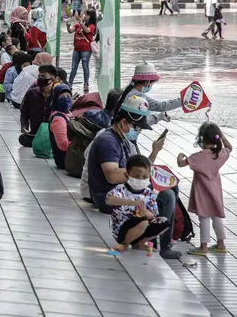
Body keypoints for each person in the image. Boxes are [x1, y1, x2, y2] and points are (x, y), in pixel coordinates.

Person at [85, 95, 180, 259]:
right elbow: (113, 176)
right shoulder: (108, 141)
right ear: (123, 123)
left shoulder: (121, 139)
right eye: (136, 127)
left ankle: (150, 238)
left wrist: (154, 152)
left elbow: (138, 169)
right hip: (112, 195)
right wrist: (142, 179)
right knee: (167, 196)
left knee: (170, 187)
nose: (138, 131)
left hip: (129, 191)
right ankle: (162, 246)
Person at [177, 122, 231, 256]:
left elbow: (181, 163)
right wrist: (222, 137)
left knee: (204, 218)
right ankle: (220, 244)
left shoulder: (198, 156)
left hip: (202, 192)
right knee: (216, 216)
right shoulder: (220, 153)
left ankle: (203, 247)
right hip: (215, 191)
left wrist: (180, 155)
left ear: (202, 139)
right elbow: (229, 147)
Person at [106, 155, 170, 253]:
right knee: (142, 222)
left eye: (144, 177)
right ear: (127, 175)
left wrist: (145, 213)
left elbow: (153, 214)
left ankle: (140, 243)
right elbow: (109, 200)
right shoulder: (121, 189)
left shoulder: (148, 193)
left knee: (164, 222)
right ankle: (124, 244)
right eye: (136, 177)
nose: (140, 180)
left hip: (142, 227)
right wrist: (132, 203)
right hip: (122, 228)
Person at [117, 61, 181, 127]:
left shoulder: (127, 91)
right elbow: (160, 106)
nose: (151, 85)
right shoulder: (137, 97)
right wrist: (182, 101)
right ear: (147, 82)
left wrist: (159, 116)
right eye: (152, 83)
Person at [18, 64, 58, 147]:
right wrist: (24, 126)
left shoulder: (57, 96)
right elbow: (24, 113)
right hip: (35, 133)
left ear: (53, 80)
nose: (40, 78)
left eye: (43, 76)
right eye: (39, 76)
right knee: (23, 139)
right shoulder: (31, 93)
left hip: (51, 133)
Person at [67, 9, 96, 93]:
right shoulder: (77, 25)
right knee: (73, 67)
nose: (85, 16)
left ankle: (86, 84)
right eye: (85, 14)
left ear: (91, 17)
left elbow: (87, 30)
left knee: (85, 66)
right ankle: (70, 84)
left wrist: (80, 22)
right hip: (76, 49)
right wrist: (68, 25)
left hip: (86, 50)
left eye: (87, 15)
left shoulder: (92, 26)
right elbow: (70, 31)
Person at [48, 84, 73, 169]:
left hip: (69, 157)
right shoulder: (58, 119)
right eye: (62, 97)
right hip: (64, 160)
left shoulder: (68, 115)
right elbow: (64, 145)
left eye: (68, 96)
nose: (66, 99)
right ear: (56, 99)